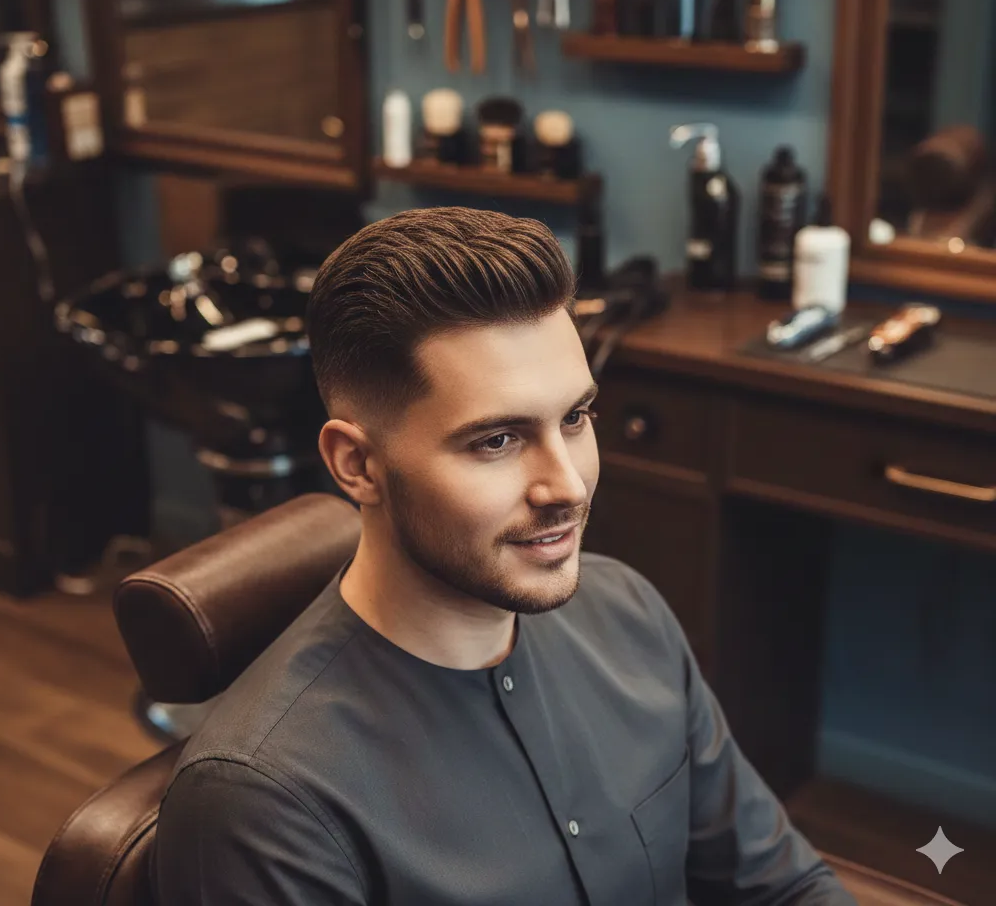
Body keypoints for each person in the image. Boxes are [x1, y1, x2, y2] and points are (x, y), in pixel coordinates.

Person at [152, 207, 855, 905]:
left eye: (575, 419)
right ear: (358, 464)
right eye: (497, 440)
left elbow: (783, 887)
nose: (568, 485)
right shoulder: (267, 805)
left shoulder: (630, 615)